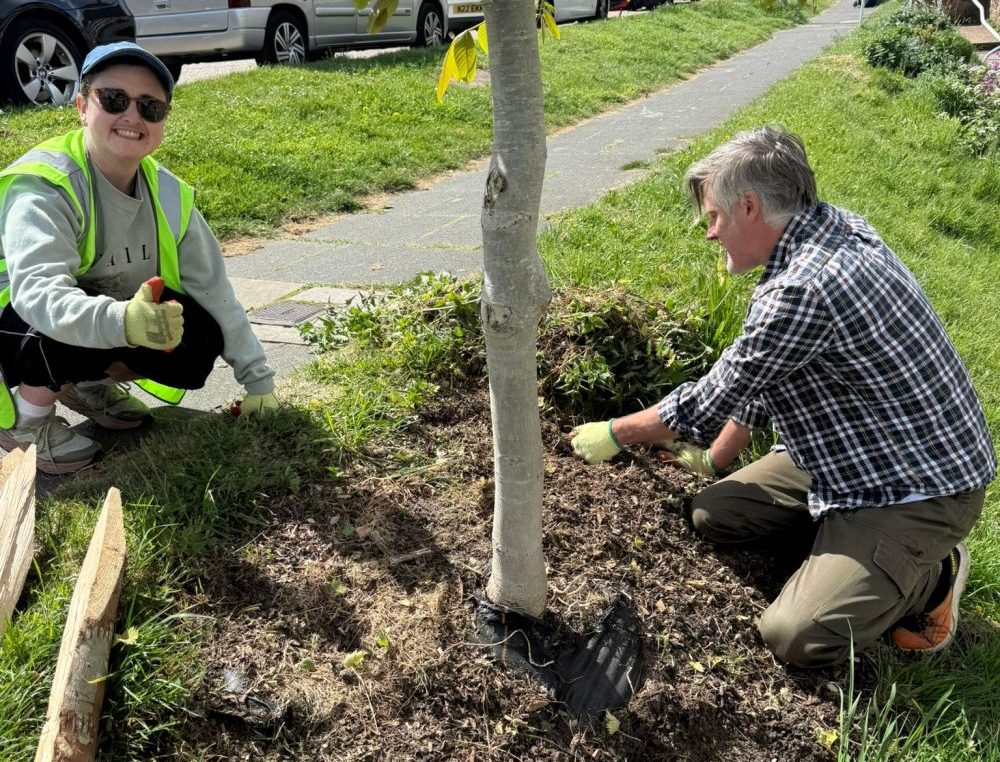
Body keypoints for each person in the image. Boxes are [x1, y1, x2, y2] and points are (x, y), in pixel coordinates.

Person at [570, 126, 996, 668]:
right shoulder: (830, 227)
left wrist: (614, 432)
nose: (709, 234)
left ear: (749, 206)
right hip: (852, 453)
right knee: (711, 515)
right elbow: (767, 373)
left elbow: (710, 399)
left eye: (714, 218)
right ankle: (850, 552)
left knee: (793, 635)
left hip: (918, 488)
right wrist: (715, 460)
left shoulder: (805, 288)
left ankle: (931, 580)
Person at [0, 42, 278, 475]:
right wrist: (124, 322)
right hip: (15, 317)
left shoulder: (169, 194)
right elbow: (37, 294)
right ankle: (26, 423)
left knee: (197, 333)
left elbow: (215, 292)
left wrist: (257, 380)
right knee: (58, 317)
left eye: (150, 107)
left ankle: (87, 385)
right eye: (113, 100)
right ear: (81, 106)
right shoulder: (45, 184)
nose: (132, 116)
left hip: (102, 305)